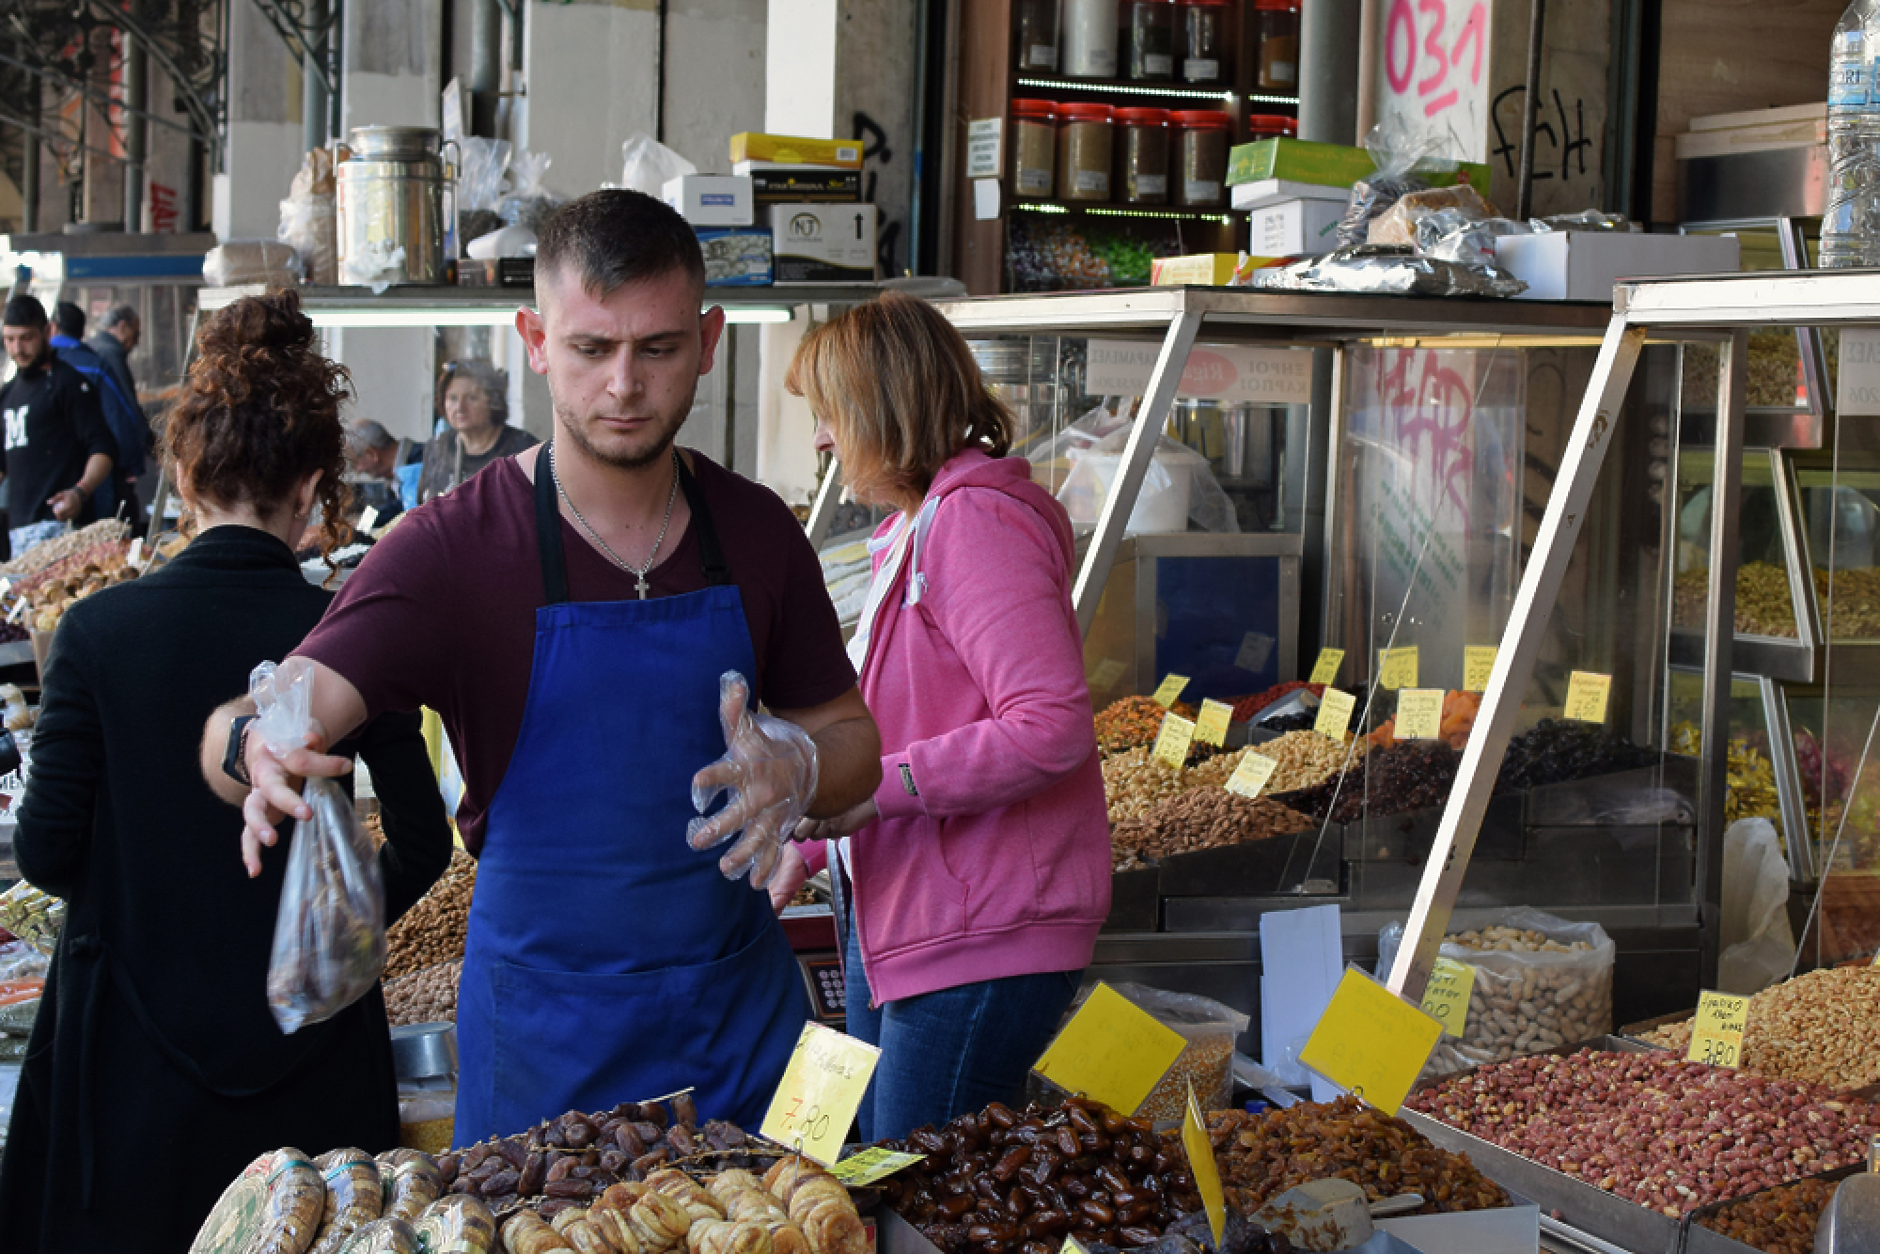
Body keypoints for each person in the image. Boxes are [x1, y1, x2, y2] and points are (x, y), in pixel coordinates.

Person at [202, 189, 881, 1144]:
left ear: (711, 338)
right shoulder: (453, 550)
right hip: (547, 1052)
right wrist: (255, 746)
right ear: (533, 338)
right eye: (591, 349)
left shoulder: (759, 531)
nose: (624, 386)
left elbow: (855, 740)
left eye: (658, 348)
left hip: (745, 1035)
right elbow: (262, 715)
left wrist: (804, 767)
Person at [0, 290, 455, 1253]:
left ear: (182, 473)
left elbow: (44, 850)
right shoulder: (350, 635)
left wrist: (141, 890)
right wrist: (332, 929)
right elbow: (422, 840)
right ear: (314, 487)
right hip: (319, 1068)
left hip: (128, 1075)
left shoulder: (93, 634)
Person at [779, 293, 1111, 1142]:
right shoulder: (910, 530)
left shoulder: (975, 523)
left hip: (981, 932)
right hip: (905, 916)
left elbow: (1048, 725)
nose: (821, 439)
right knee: (877, 1177)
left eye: (829, 416)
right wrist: (810, 841)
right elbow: (905, 721)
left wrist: (879, 791)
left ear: (883, 412)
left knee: (915, 1194)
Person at [0, 296, 118, 558]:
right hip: (18, 536)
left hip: (63, 532)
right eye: (9, 339)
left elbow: (104, 448)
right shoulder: (6, 395)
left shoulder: (68, 384)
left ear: (48, 331)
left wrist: (81, 491)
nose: (17, 348)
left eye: (26, 338)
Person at [51, 303, 146, 528]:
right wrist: (131, 465)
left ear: (51, 329)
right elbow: (120, 417)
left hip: (43, 490)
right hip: (93, 479)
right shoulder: (94, 364)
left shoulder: (32, 375)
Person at [415, 358, 538, 502]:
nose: (460, 407)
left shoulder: (524, 450)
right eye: (453, 398)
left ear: (494, 402)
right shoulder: (436, 447)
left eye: (471, 398)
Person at [345, 417, 407, 524]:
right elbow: (396, 507)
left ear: (371, 454)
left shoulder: (418, 466)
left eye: (356, 463)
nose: (358, 471)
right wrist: (360, 523)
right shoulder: (400, 472)